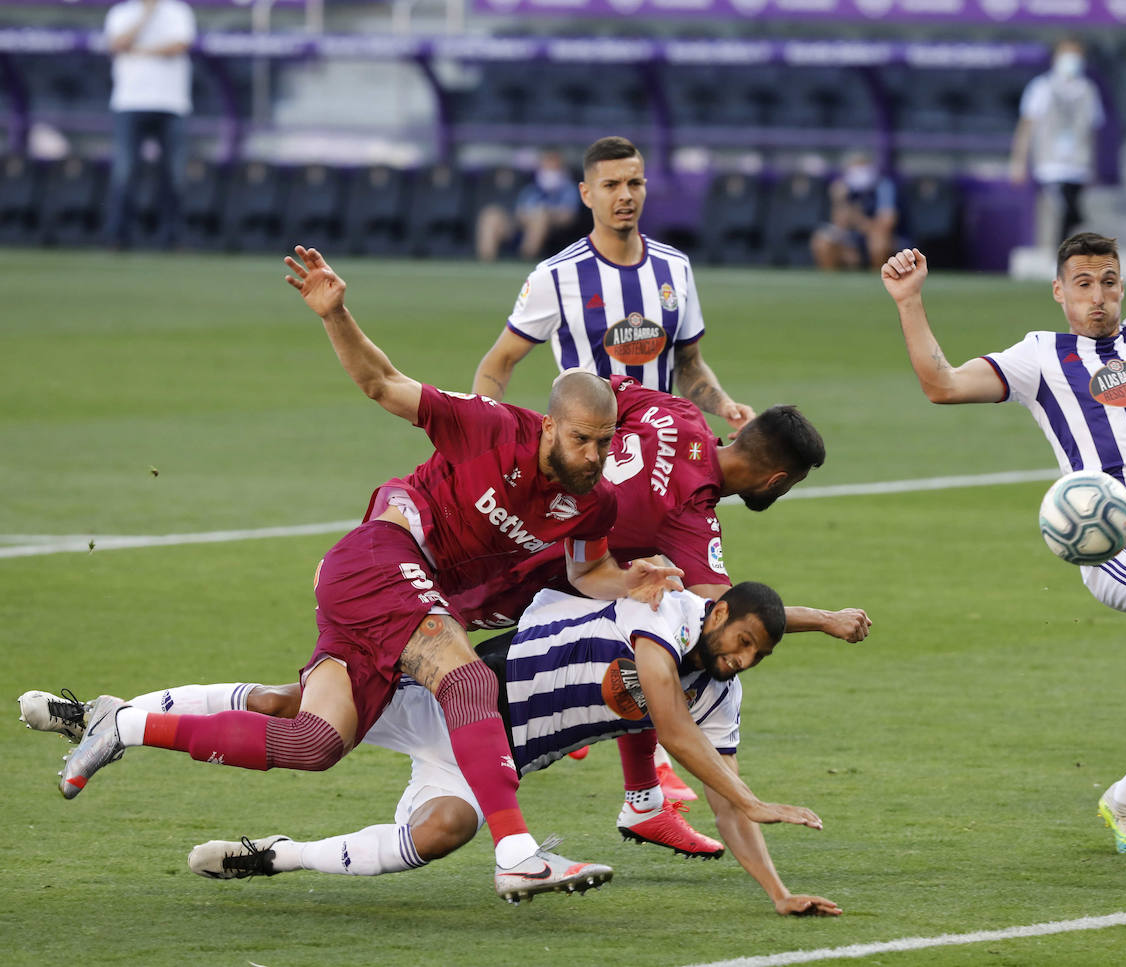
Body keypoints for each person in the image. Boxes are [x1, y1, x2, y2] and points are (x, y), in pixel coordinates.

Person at [54, 246, 681, 903]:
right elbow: (384, 383)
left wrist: (633, 580)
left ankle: (122, 724)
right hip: (381, 556)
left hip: (395, 601)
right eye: (583, 438)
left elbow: (590, 571)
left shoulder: (594, 500)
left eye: (606, 441)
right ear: (550, 423)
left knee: (315, 739)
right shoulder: (490, 427)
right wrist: (336, 313)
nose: (595, 454)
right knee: (465, 677)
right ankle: (518, 853)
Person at [24, 380, 869, 861]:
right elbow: (725, 621)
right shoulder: (692, 528)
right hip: (461, 597)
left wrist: (497, 410)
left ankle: (121, 721)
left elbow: (586, 411)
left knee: (310, 715)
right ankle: (521, 851)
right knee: (414, 695)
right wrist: (820, 619)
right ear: (778, 476)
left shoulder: (669, 415)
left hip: (471, 586)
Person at [880, 140, 1126, 857]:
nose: (1098, 296)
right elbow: (942, 382)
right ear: (1059, 291)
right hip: (1109, 535)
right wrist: (909, 303)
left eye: (1109, 282)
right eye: (1082, 283)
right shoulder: (1039, 356)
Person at [472, 136, 755, 435]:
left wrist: (725, 405)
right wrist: (479, 434)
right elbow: (499, 361)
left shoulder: (676, 266)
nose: (626, 196)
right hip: (590, 459)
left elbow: (688, 364)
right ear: (586, 194)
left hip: (661, 452)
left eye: (634, 183)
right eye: (611, 185)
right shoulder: (555, 275)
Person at [102, 0, 196, 249]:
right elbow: (117, 44)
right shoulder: (121, 13)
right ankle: (119, 236)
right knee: (125, 170)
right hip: (130, 101)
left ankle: (172, 237)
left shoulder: (178, 11)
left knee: (174, 174)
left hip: (171, 103)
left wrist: (140, 51)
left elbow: (179, 46)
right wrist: (145, 15)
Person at [1009, 38, 1105, 246]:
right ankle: (1060, 257)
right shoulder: (1041, 87)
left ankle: (1064, 259)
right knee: (1062, 209)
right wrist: (1018, 162)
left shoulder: (1088, 89)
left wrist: (1094, 167)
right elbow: (1027, 126)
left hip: (1078, 164)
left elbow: (1092, 131)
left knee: (1070, 217)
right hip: (1049, 163)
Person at [475, 149, 583, 263]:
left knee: (540, 216)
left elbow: (569, 216)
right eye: (547, 163)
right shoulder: (532, 188)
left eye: (553, 163)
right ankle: (486, 262)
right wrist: (528, 217)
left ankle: (525, 261)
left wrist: (547, 213)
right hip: (521, 228)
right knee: (491, 214)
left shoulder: (569, 188)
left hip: (552, 232)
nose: (550, 167)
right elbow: (519, 212)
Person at [810, 151, 899, 271]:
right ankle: (829, 280)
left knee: (879, 241)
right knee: (822, 240)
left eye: (862, 166)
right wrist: (839, 201)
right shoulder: (844, 188)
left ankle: (879, 277)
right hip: (850, 236)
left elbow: (887, 223)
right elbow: (839, 224)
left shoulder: (883, 186)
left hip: (873, 235)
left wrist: (858, 220)